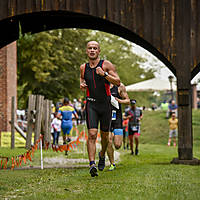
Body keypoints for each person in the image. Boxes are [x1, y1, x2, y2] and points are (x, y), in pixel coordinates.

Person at [80, 40, 120, 177]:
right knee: (91, 134)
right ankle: (92, 164)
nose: (92, 50)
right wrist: (82, 84)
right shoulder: (83, 68)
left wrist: (104, 74)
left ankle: (102, 154)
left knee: (105, 138)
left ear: (99, 51)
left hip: (105, 105)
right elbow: (82, 80)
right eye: (90, 48)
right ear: (86, 51)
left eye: (95, 48)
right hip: (91, 104)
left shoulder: (106, 65)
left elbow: (118, 82)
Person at [107, 83, 130, 171]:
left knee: (117, 145)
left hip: (117, 119)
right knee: (108, 141)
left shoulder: (119, 87)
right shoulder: (101, 86)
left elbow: (128, 100)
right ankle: (112, 163)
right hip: (106, 118)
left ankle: (106, 149)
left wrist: (119, 100)